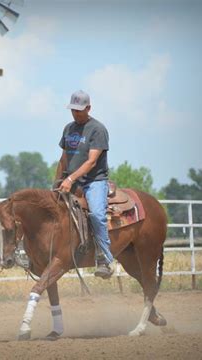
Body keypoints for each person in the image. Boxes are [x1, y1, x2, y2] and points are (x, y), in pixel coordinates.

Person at [57, 90, 114, 279]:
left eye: (79, 110)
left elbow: (91, 162)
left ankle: (104, 259)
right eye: (73, 110)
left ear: (88, 108)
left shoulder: (97, 129)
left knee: (97, 214)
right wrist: (57, 182)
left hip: (93, 181)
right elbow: (64, 158)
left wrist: (70, 179)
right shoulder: (68, 129)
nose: (76, 113)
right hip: (70, 179)